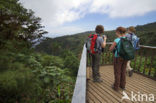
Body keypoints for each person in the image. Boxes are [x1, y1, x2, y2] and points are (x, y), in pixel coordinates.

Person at [109, 27, 128, 91]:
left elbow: (111, 49)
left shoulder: (117, 40)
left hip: (118, 57)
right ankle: (123, 86)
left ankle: (116, 87)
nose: (115, 33)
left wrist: (113, 48)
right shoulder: (127, 39)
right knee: (123, 71)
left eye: (116, 32)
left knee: (117, 72)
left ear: (118, 32)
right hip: (125, 57)